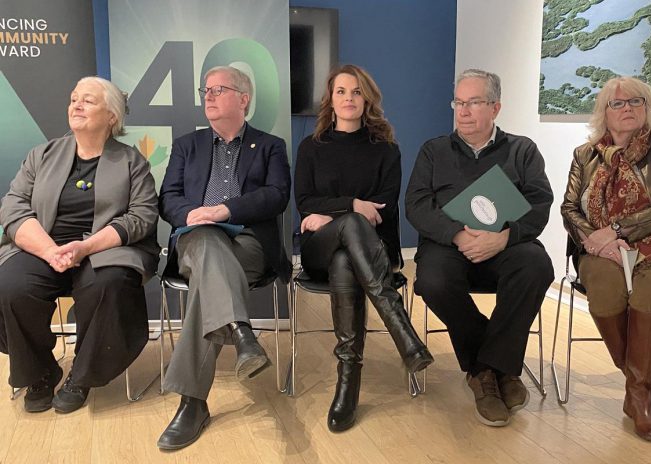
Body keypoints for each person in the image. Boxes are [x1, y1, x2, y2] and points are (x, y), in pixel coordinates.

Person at [0, 76, 159, 414]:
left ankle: (82, 375)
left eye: (88, 100)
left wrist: (85, 248)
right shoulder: (41, 155)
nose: (77, 105)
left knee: (109, 283)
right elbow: (13, 206)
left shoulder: (132, 162)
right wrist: (48, 251)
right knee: (11, 284)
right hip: (46, 247)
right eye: (74, 99)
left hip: (105, 250)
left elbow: (142, 216)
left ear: (112, 116)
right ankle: (42, 371)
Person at [405, 69, 554, 427]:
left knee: (536, 265)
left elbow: (540, 203)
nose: (463, 111)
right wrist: (457, 234)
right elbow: (417, 204)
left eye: (473, 102)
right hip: (448, 245)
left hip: (503, 243)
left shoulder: (522, 150)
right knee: (432, 281)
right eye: (458, 102)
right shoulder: (434, 150)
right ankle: (496, 367)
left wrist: (503, 237)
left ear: (495, 108)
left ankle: (486, 371)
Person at [158, 65, 291, 450]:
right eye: (206, 91)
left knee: (209, 280)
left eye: (219, 89)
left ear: (243, 99)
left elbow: (277, 195)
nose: (209, 96)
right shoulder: (188, 145)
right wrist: (192, 216)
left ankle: (193, 403)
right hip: (195, 239)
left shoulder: (270, 146)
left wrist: (224, 210)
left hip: (248, 243)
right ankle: (240, 333)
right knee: (206, 243)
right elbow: (169, 197)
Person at [294, 64, 433, 432]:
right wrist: (353, 206)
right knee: (351, 226)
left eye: (356, 92)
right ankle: (401, 330)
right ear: (331, 99)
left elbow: (384, 207)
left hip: (373, 249)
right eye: (341, 91)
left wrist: (332, 211)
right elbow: (305, 201)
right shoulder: (311, 147)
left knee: (346, 258)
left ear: (367, 98)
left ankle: (348, 380)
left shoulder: (386, 149)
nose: (349, 98)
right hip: (316, 250)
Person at [561, 76, 651, 442]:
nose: (627, 109)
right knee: (603, 291)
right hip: (600, 248)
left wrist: (617, 230)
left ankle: (636, 396)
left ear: (648, 107)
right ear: (603, 112)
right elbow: (569, 207)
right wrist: (596, 240)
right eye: (617, 103)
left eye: (636, 102)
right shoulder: (584, 156)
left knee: (648, 293)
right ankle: (646, 390)